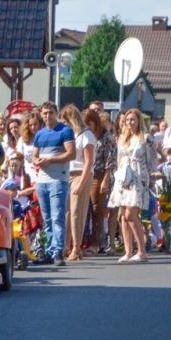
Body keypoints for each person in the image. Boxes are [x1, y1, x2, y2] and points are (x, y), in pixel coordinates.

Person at [30, 101, 76, 266]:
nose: (47, 116)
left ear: (56, 113)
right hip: (42, 180)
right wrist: (37, 161)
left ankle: (58, 251)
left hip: (58, 179)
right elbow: (34, 155)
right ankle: (49, 250)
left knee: (57, 217)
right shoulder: (40, 134)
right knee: (47, 218)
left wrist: (51, 160)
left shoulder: (65, 131)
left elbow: (71, 153)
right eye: (45, 113)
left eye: (50, 112)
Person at [109, 108, 154, 262]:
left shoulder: (145, 138)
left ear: (138, 121)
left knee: (131, 214)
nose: (130, 123)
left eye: (133, 119)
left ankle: (142, 251)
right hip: (124, 177)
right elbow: (119, 158)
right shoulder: (122, 138)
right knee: (123, 215)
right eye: (127, 120)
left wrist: (151, 177)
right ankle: (128, 251)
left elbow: (152, 159)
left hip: (138, 177)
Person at [61, 104, 95, 261]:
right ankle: (66, 246)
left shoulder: (86, 135)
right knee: (67, 212)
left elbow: (89, 162)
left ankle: (76, 247)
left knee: (77, 212)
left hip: (81, 174)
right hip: (68, 174)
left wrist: (82, 183)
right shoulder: (71, 136)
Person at [88, 108, 117, 254]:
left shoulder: (106, 137)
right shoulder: (87, 136)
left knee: (97, 210)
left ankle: (96, 242)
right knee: (88, 211)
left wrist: (106, 179)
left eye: (90, 123)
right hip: (87, 174)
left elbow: (110, 160)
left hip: (100, 175)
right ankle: (88, 241)